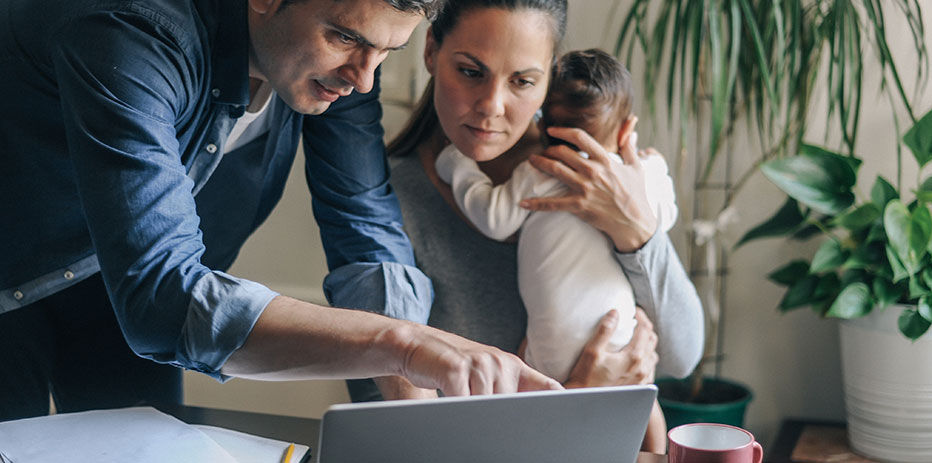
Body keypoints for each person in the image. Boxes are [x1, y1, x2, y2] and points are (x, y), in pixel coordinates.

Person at [0, 0, 563, 422]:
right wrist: (406, 344)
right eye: (344, 38)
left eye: (385, 52)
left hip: (116, 296)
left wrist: (414, 412)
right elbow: (161, 296)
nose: (364, 78)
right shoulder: (134, 25)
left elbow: (362, 218)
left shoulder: (350, 53)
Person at [349, 0, 706, 453]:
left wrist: (638, 233)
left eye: (522, 81)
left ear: (549, 81)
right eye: (471, 71)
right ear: (431, 51)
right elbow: (391, 427)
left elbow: (681, 357)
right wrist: (571, 401)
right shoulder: (380, 204)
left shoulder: (598, 175)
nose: (491, 107)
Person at [434, 48, 680, 382]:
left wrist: (458, 166)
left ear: (541, 120)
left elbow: (494, 217)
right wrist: (657, 169)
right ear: (626, 131)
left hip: (549, 352)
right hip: (620, 335)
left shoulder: (539, 172)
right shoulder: (637, 179)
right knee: (643, 401)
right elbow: (665, 218)